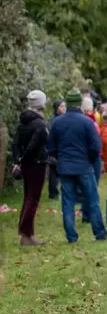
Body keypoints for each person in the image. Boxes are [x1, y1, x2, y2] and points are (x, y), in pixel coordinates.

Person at [49, 90, 107, 243]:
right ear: (80, 104)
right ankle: (99, 233)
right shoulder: (86, 122)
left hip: (65, 167)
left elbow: (51, 147)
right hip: (84, 166)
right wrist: (91, 160)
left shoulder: (57, 122)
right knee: (92, 200)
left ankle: (71, 237)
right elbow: (96, 145)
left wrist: (60, 159)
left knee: (67, 202)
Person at [13, 90, 50, 246]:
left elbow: (15, 143)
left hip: (27, 164)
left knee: (28, 197)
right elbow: (33, 147)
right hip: (36, 164)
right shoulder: (40, 124)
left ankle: (27, 233)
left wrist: (17, 161)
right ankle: (26, 234)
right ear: (41, 104)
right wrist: (23, 159)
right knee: (33, 199)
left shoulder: (23, 122)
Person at [48, 99, 66, 200]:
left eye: (64, 106)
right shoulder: (53, 120)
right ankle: (53, 193)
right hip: (55, 148)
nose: (64, 108)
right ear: (56, 108)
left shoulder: (64, 119)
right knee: (54, 172)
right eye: (61, 106)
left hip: (62, 148)